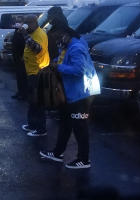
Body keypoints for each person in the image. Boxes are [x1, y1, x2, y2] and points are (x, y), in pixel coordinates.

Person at [39, 23, 100, 169]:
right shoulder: (66, 47)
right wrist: (53, 63)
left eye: (59, 37)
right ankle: (57, 153)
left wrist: (58, 67)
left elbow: (78, 70)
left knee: (80, 127)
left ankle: (83, 160)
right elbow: (61, 60)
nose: (57, 40)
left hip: (82, 93)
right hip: (70, 93)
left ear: (66, 34)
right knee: (65, 123)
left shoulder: (76, 48)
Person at [21, 15, 50, 136]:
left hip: (38, 72)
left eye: (27, 23)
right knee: (32, 100)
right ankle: (32, 124)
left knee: (38, 101)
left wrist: (25, 35)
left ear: (33, 23)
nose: (26, 26)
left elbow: (37, 49)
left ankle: (41, 129)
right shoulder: (33, 33)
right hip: (31, 71)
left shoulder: (40, 34)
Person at [10, 21, 28, 100]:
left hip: (21, 59)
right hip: (18, 58)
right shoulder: (17, 35)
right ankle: (21, 92)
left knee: (22, 77)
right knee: (19, 77)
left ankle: (23, 93)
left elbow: (23, 46)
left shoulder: (21, 35)